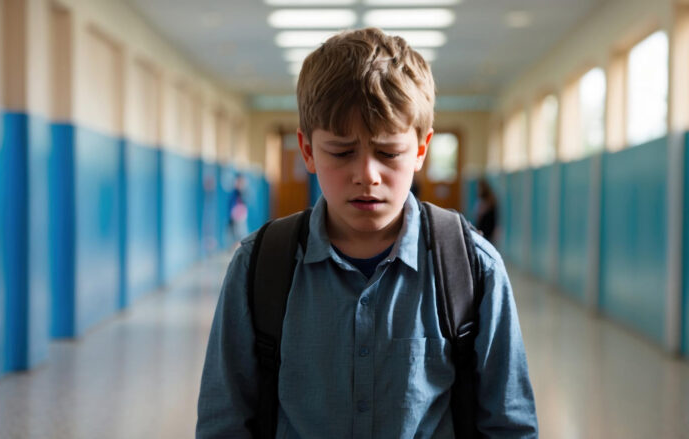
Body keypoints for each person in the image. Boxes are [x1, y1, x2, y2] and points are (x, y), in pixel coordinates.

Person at [196, 28, 537, 438]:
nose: (366, 175)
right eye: (341, 152)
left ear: (421, 149)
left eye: (389, 153)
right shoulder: (259, 266)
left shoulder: (471, 268)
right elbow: (224, 422)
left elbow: (509, 425)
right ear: (307, 150)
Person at [475, 179, 499, 244]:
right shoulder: (492, 199)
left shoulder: (483, 200)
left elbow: (479, 215)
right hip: (489, 227)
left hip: (484, 227)